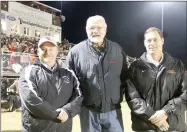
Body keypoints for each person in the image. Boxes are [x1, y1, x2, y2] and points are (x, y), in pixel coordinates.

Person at [66, 15, 127, 132]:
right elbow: (69, 83)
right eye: (91, 28)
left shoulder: (117, 50)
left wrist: (115, 96)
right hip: (88, 112)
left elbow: (125, 77)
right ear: (86, 29)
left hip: (113, 110)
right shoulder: (75, 52)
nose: (95, 31)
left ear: (105, 29)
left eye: (99, 27)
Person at [125, 27, 187, 132]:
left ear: (162, 41)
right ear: (144, 43)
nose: (152, 43)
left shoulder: (177, 65)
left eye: (155, 39)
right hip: (146, 127)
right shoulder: (135, 68)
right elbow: (133, 98)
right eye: (149, 40)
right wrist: (153, 116)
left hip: (173, 127)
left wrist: (166, 111)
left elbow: (185, 95)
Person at [18, 36, 83, 132]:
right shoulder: (28, 72)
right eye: (43, 49)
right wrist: (57, 115)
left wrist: (67, 111)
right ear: (38, 52)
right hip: (36, 129)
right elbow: (30, 99)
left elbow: (78, 96)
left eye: (51, 49)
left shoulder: (69, 73)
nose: (47, 52)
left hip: (63, 128)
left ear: (57, 51)